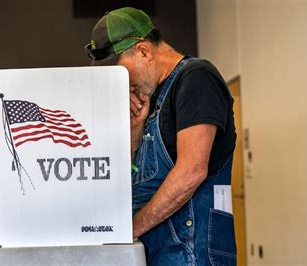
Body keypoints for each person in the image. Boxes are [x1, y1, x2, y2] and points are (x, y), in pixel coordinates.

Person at [85, 7, 237, 266]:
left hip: (192, 253)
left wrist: (130, 230)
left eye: (121, 73)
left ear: (143, 51)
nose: (122, 85)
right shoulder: (154, 98)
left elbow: (192, 171)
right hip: (162, 252)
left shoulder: (197, 78)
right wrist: (135, 128)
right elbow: (135, 175)